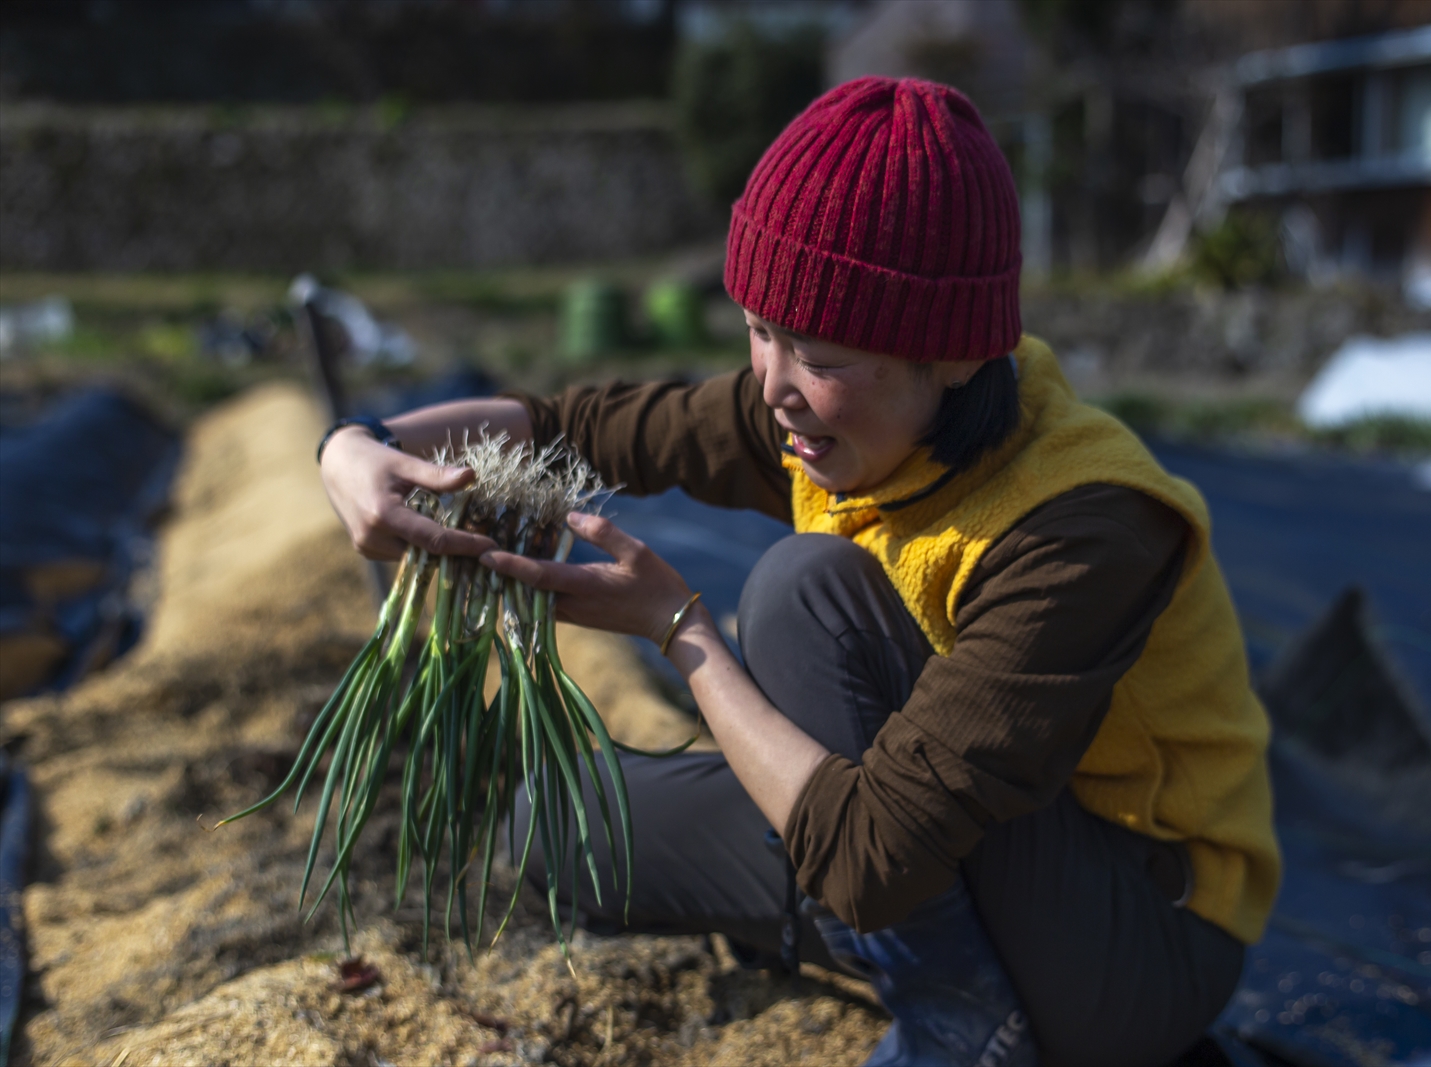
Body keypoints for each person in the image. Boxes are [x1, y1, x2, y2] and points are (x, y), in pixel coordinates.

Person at [319, 77, 1280, 1067]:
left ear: (955, 356)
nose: (774, 386)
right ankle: (928, 965)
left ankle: (962, 1029)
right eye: (758, 329)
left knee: (802, 594)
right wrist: (358, 443)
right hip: (923, 835)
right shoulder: (825, 413)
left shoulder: (1082, 525)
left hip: (1133, 940)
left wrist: (679, 628)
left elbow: (872, 863)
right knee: (561, 824)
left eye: (817, 353)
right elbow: (581, 428)